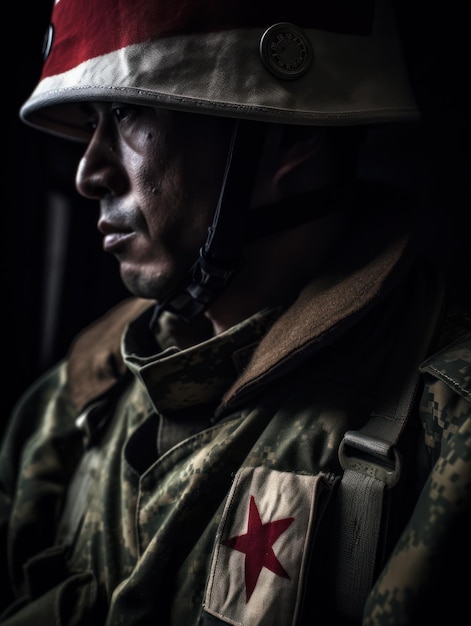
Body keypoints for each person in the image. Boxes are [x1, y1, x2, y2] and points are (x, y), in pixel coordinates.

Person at [1, 0, 470, 624]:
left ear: (290, 136)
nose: (91, 171)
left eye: (128, 111)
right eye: (91, 119)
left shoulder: (441, 428)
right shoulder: (81, 394)